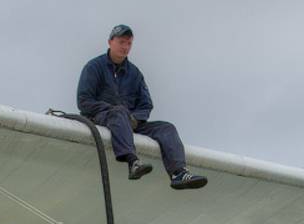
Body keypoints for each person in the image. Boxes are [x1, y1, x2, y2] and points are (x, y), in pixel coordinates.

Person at [76, 24, 207, 190]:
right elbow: (83, 100)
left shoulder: (135, 74)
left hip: (131, 123)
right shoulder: (94, 67)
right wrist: (111, 110)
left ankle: (179, 173)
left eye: (129, 43)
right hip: (103, 118)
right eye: (122, 42)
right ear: (110, 42)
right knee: (119, 112)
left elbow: (146, 104)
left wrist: (135, 119)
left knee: (166, 128)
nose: (125, 47)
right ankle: (132, 162)